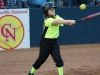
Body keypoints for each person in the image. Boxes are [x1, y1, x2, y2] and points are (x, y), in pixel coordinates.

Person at [28, 2, 76, 75]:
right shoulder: (47, 20)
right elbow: (57, 22)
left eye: (53, 9)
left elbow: (63, 21)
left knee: (59, 60)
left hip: (54, 42)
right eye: (50, 9)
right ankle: (31, 73)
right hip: (45, 42)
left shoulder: (56, 16)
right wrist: (69, 21)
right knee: (41, 60)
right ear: (45, 11)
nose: (53, 10)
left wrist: (69, 23)